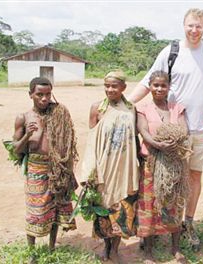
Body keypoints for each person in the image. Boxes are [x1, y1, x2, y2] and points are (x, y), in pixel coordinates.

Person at [128, 8, 203, 248]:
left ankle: (187, 223)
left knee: (194, 177)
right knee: (168, 176)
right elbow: (147, 80)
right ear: (183, 26)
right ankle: (160, 223)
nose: (194, 30)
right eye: (190, 26)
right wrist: (124, 105)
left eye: (199, 26)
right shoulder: (171, 52)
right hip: (174, 129)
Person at [12, 77, 77, 262]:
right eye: (39, 94)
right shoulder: (23, 117)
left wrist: (68, 170)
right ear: (31, 94)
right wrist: (27, 136)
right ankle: (31, 252)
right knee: (36, 209)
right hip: (36, 168)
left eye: (48, 94)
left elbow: (68, 142)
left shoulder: (59, 112)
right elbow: (16, 149)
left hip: (58, 167)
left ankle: (51, 247)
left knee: (56, 208)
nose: (44, 98)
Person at [80, 70, 139, 262]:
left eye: (114, 86)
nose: (110, 89)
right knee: (104, 209)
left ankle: (115, 247)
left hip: (125, 169)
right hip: (104, 167)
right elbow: (91, 142)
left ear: (123, 87)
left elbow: (135, 140)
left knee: (123, 208)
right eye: (107, 86)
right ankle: (106, 246)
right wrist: (89, 171)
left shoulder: (131, 108)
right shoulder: (97, 108)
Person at [136, 71, 188, 264]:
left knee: (174, 204)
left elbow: (183, 131)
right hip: (151, 164)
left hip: (174, 164)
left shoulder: (177, 108)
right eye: (155, 85)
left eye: (163, 85)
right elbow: (143, 131)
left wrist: (172, 142)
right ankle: (148, 251)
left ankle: (175, 248)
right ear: (150, 86)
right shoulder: (142, 109)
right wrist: (158, 144)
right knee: (149, 205)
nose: (159, 89)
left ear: (169, 87)